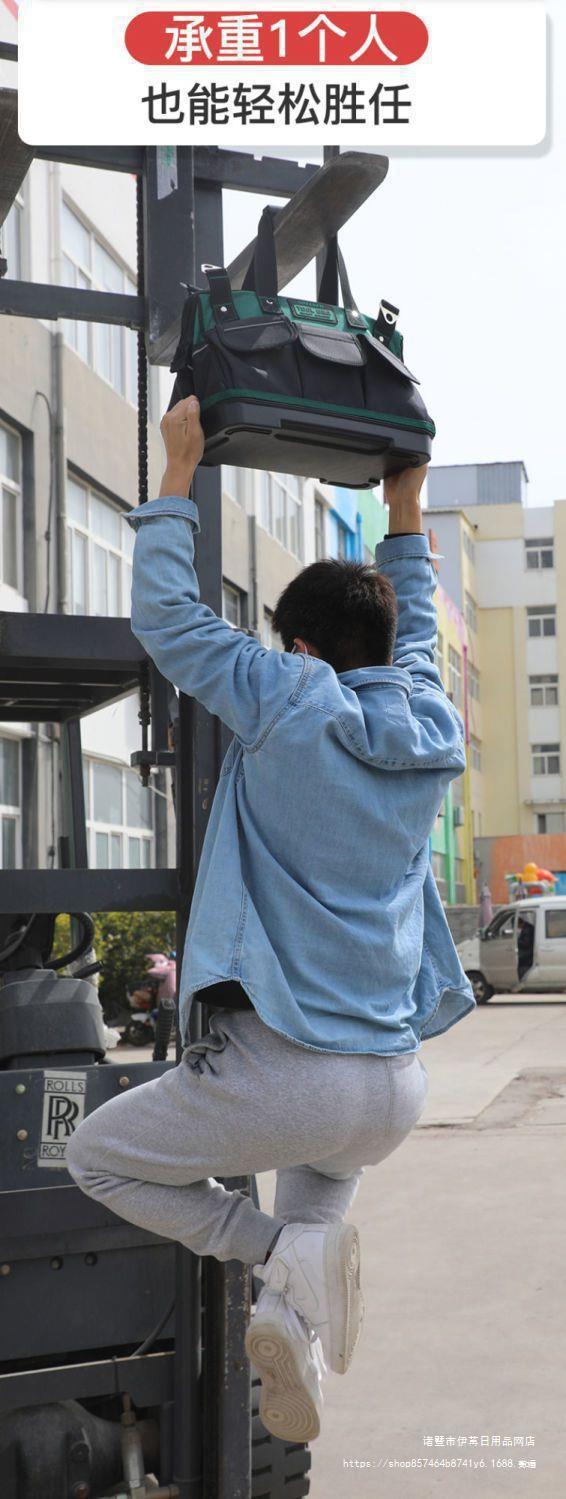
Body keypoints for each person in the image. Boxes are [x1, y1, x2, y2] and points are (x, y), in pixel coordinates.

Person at [66, 397, 475, 1444]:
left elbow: (168, 621)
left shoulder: (291, 695)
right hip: (389, 1088)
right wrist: (404, 511)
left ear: (298, 645)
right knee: (316, 1203)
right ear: (378, 641)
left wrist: (177, 472)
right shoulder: (429, 717)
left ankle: (274, 1252)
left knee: (97, 1157)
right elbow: (415, 640)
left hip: (287, 1072)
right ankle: (295, 1327)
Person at [517, 914, 535, 982]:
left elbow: (526, 944)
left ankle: (522, 979)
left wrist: (517, 941)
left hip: (529, 952)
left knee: (519, 960)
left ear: (519, 924)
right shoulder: (526, 927)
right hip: (529, 950)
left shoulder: (527, 929)